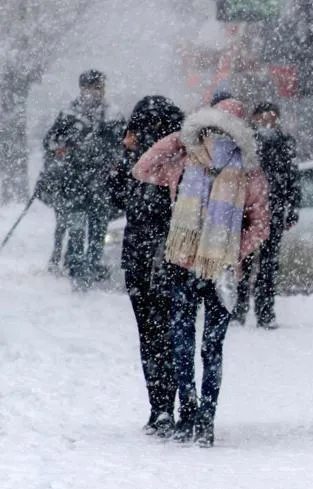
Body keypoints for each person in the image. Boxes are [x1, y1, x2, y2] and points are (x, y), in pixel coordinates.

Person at [132, 98, 270, 447]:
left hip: (188, 267)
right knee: (210, 347)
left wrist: (179, 138)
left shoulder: (187, 160)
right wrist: (231, 251)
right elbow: (261, 225)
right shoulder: (246, 170)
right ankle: (205, 417)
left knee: (185, 344)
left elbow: (143, 168)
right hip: (217, 271)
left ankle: (192, 412)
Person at [109, 96, 184, 437]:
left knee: (152, 335)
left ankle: (160, 405)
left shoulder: (143, 163)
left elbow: (114, 199)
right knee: (170, 333)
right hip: (171, 257)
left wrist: (122, 157)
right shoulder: (182, 159)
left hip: (145, 256)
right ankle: (174, 404)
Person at [42, 69, 125, 288]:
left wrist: (110, 160)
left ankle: (92, 266)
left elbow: (122, 147)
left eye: (96, 88)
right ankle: (77, 268)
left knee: (98, 230)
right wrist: (63, 147)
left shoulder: (113, 115)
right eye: (89, 88)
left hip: (101, 183)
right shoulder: (69, 114)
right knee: (77, 228)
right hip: (74, 181)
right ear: (82, 89)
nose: (92, 93)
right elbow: (50, 142)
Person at [232, 102, 300, 329]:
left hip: (273, 210)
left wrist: (292, 208)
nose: (269, 122)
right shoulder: (246, 142)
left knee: (269, 265)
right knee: (245, 261)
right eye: (265, 117)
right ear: (255, 118)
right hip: (249, 211)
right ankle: (240, 308)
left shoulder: (284, 143)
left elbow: (293, 177)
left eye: (273, 117)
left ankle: (265, 311)